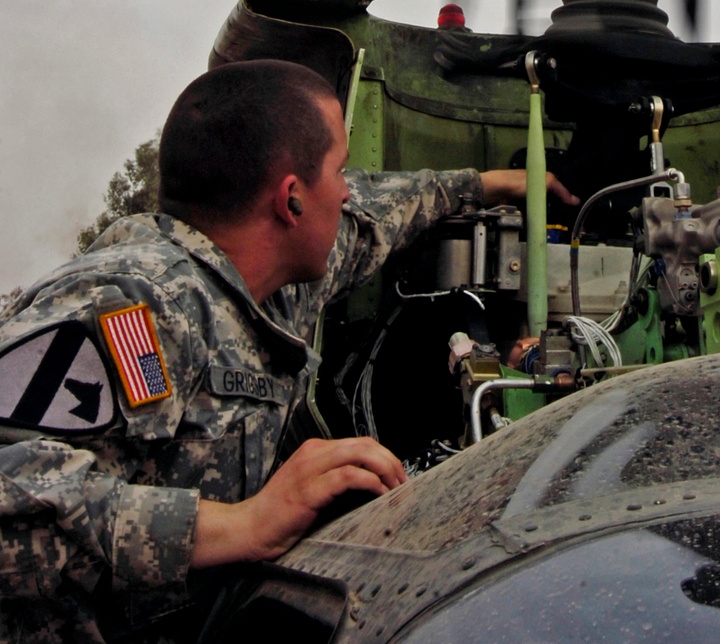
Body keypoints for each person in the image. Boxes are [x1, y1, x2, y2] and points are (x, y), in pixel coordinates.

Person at [0, 59, 578, 643]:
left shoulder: (280, 284)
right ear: (292, 201)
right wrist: (242, 524)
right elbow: (12, 501)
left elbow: (374, 211)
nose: (348, 189)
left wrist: (487, 185)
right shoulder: (136, 305)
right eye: (339, 170)